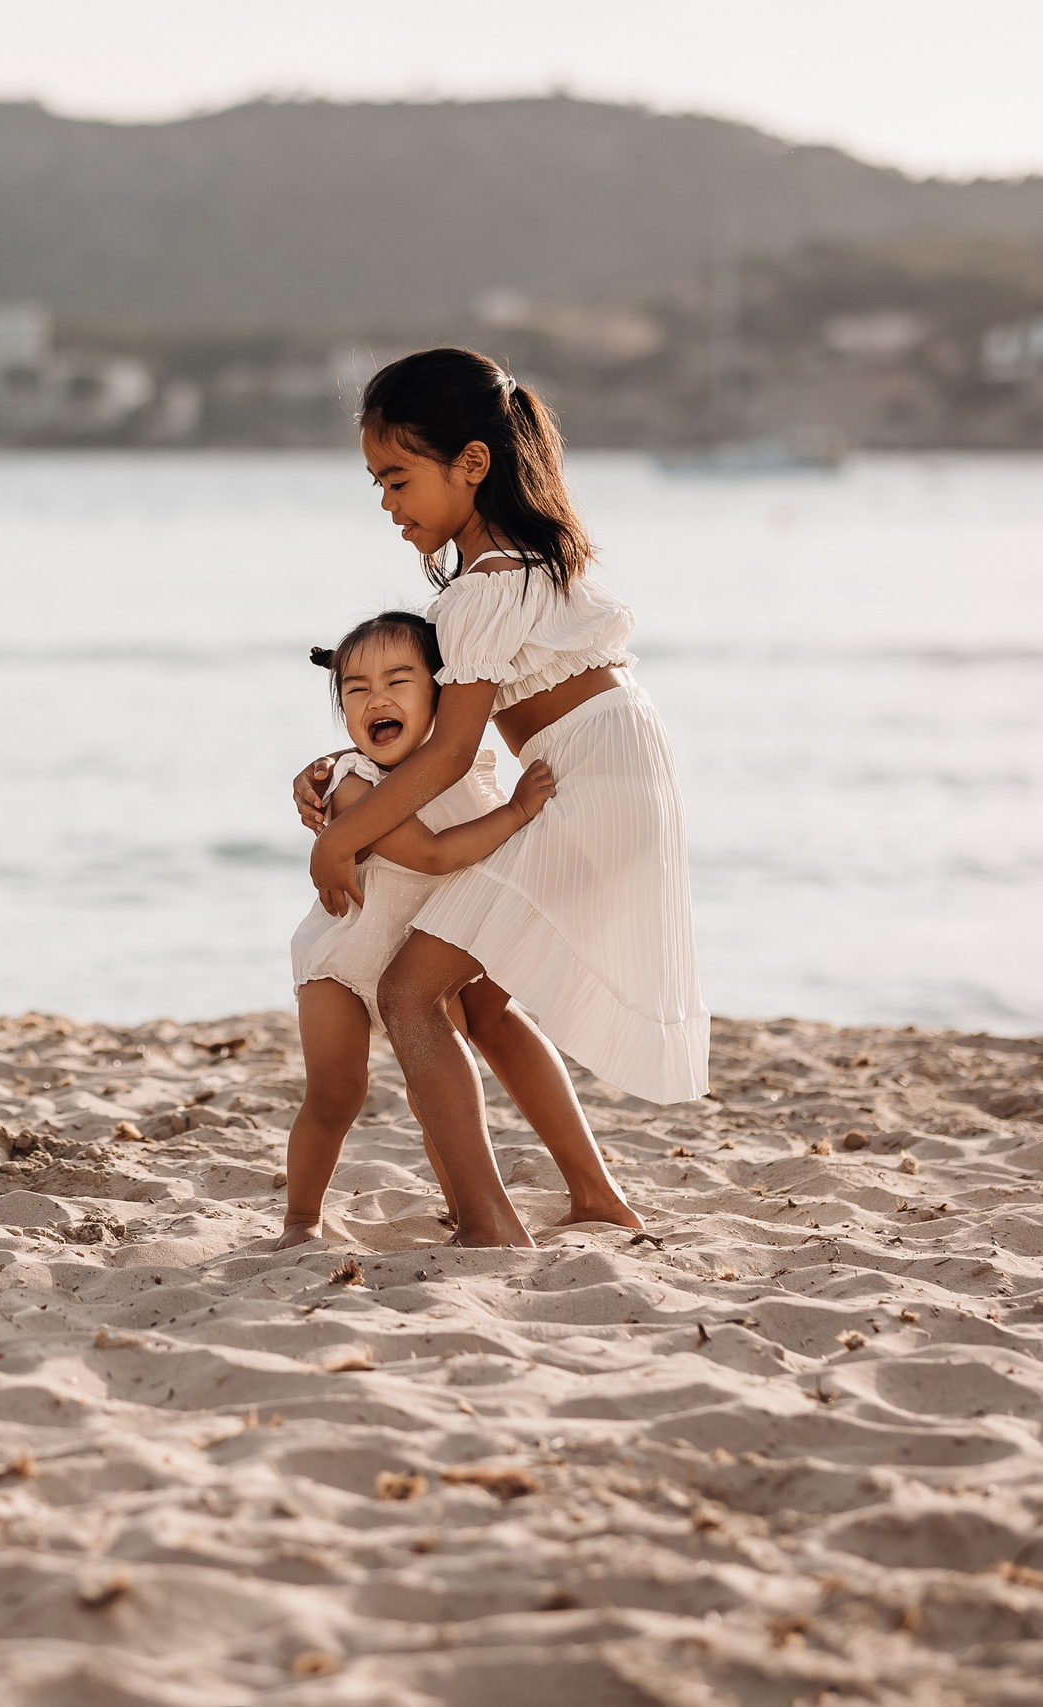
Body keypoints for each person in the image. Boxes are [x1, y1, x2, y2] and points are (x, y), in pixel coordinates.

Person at [294, 348, 709, 1248]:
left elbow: (445, 755)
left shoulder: (481, 589)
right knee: (479, 1001)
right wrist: (339, 772)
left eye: (398, 477)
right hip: (616, 766)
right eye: (376, 481)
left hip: (584, 782)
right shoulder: (525, 565)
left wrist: (341, 841)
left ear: (471, 464)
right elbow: (430, 734)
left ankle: (488, 1223)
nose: (386, 503)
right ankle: (595, 1196)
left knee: (410, 994)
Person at [280, 609, 556, 1249]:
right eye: (356, 690)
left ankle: (468, 1210)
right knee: (335, 1093)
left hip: (420, 966)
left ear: (440, 692)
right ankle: (300, 1217)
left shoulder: (462, 769)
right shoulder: (353, 786)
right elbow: (432, 854)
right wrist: (519, 811)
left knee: (438, 1096)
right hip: (344, 963)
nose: (376, 698)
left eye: (398, 681)